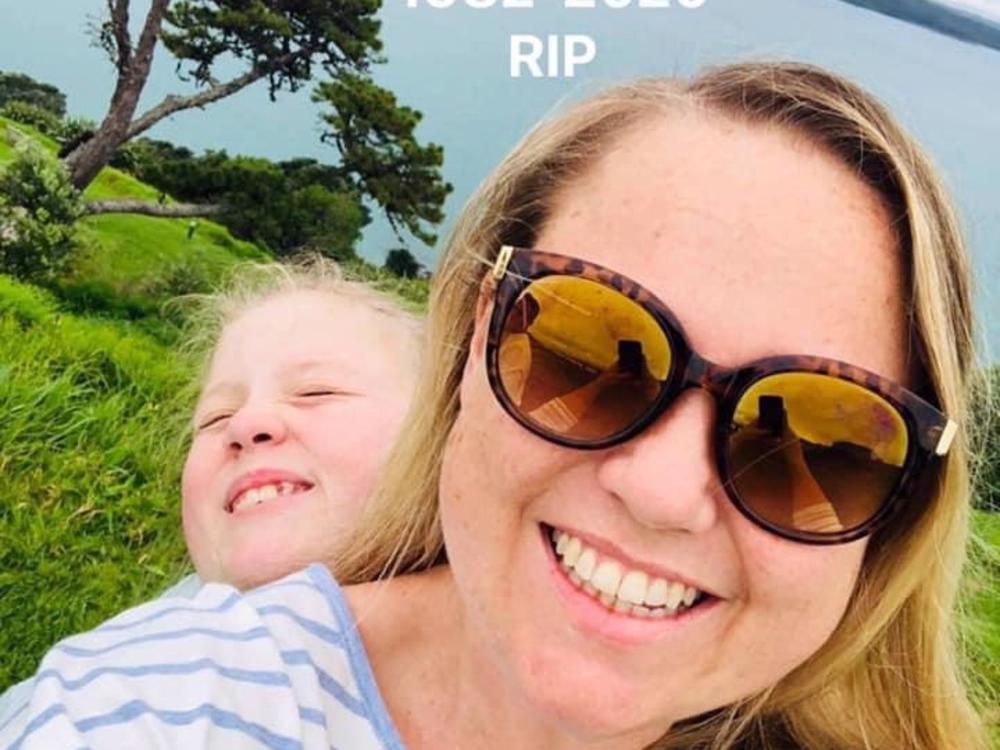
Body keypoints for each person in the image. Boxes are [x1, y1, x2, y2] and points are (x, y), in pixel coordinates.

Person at [0, 61, 989, 749]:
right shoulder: (138, 715)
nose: (660, 493)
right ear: (476, 338)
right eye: (585, 348)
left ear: (898, 514)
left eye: (813, 436)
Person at [0, 256, 422, 730]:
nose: (243, 424)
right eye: (215, 418)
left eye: (315, 392)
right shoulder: (115, 691)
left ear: (445, 434)